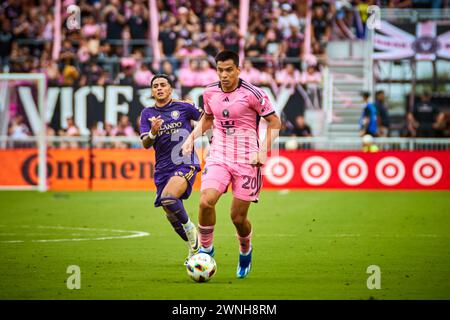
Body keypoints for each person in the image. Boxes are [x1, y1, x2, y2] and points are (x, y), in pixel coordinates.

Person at [182, 50, 282, 278]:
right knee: (206, 202)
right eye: (220, 70)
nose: (224, 75)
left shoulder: (254, 94)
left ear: (238, 69)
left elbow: (275, 123)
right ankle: (206, 249)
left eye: (229, 70)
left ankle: (245, 249)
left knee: (237, 218)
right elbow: (207, 118)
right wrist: (191, 138)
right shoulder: (209, 92)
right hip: (219, 154)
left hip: (248, 160)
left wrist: (262, 152)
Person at [139, 74, 202, 265]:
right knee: (169, 212)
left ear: (170, 89)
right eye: (155, 86)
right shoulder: (147, 113)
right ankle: (193, 247)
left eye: (163, 85)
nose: (159, 88)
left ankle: (193, 233)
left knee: (168, 197)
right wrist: (153, 132)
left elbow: (207, 119)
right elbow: (145, 143)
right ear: (151, 91)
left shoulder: (184, 107)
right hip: (162, 169)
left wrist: (207, 137)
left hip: (185, 161)